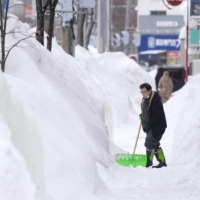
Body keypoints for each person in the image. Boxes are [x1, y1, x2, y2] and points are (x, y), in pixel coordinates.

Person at [139, 83, 167, 168]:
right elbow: (147, 111)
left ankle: (149, 162)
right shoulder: (145, 99)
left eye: (145, 91)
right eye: (142, 92)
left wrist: (149, 124)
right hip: (150, 126)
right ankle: (162, 162)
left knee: (149, 142)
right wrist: (142, 116)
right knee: (154, 144)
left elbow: (157, 115)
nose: (143, 93)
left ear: (150, 90)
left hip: (157, 126)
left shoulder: (155, 99)